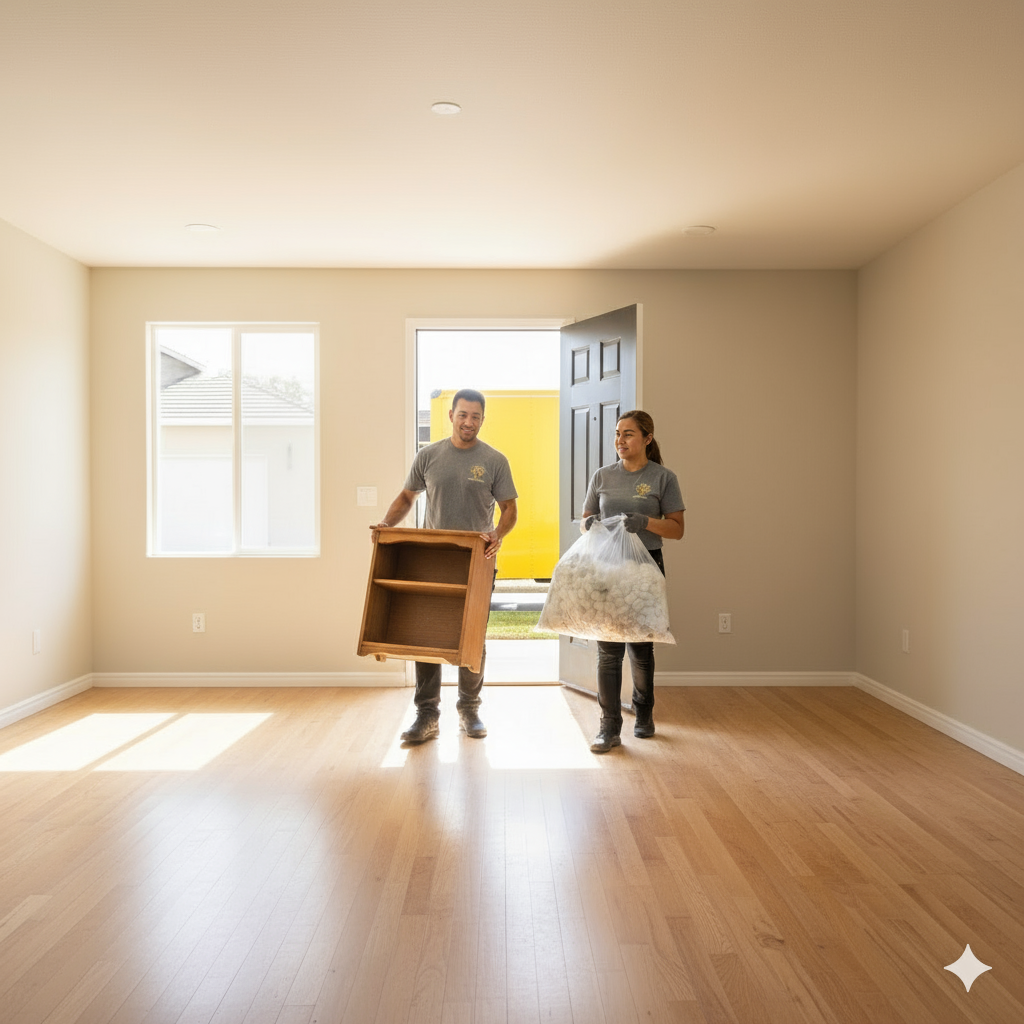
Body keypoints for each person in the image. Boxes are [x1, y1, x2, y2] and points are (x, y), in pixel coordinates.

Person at [373, 389, 518, 744]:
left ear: (482, 419)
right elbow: (407, 496)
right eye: (463, 414)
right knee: (427, 635)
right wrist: (387, 526)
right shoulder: (429, 456)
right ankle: (427, 715)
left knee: (473, 637)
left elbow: (510, 509)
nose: (469, 422)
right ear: (451, 415)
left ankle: (469, 709)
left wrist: (498, 534)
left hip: (477, 561)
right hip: (432, 560)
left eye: (475, 416)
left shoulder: (495, 460)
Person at [580, 410, 685, 752]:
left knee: (640, 648)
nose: (620, 440)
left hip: (645, 567)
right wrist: (590, 523)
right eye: (617, 433)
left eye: (628, 434)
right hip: (607, 567)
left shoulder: (663, 478)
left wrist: (646, 522)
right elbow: (585, 520)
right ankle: (609, 726)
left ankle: (644, 713)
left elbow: (677, 529)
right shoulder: (602, 476)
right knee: (608, 650)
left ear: (647, 438)